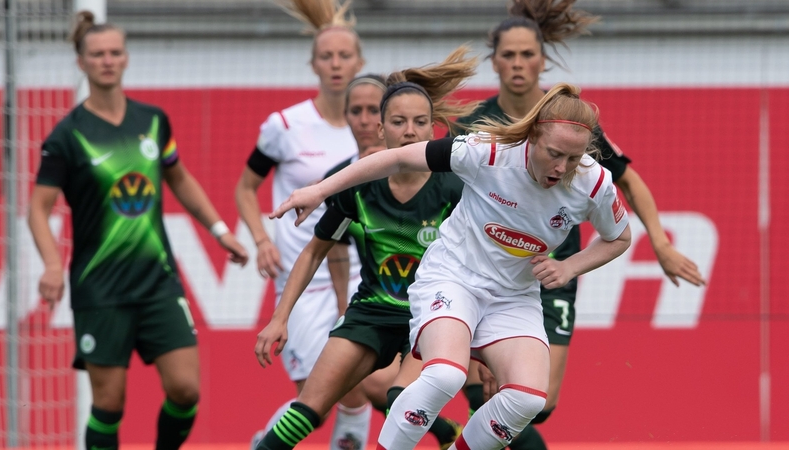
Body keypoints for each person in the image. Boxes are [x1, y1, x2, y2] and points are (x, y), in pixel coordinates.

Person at [271, 82, 633, 450]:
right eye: (554, 153)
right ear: (533, 135)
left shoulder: (594, 182)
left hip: (514, 297)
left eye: (572, 159)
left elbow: (619, 238)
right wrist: (320, 191)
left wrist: (571, 267)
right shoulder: (487, 152)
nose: (562, 167)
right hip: (453, 278)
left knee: (528, 400)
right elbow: (397, 158)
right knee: (445, 374)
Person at [455, 1, 706, 448]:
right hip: (482, 275)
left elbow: (626, 181)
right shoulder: (475, 126)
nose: (518, 63)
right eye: (508, 55)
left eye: (527, 54)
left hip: (553, 272)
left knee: (540, 402)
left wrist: (662, 246)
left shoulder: (570, 123)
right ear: (493, 60)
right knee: (490, 394)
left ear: (543, 58)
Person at [27, 11, 249, 450]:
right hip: (100, 288)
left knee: (186, 389)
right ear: (82, 63)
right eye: (97, 54)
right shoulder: (66, 136)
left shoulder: (153, 121)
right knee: (109, 404)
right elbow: (38, 208)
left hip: (157, 283)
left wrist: (219, 229)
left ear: (126, 59)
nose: (107, 61)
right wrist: (53, 265)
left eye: (114, 52)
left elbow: (179, 177)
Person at [253, 46, 479, 450]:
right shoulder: (353, 184)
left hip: (430, 317)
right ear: (381, 129)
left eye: (419, 122)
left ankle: (448, 434)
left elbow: (482, 268)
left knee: (398, 400)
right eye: (398, 122)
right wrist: (279, 318)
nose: (409, 131)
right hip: (370, 313)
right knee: (307, 410)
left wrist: (484, 343)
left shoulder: (455, 188)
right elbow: (315, 251)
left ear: (433, 129)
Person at [232, 0, 371, 448]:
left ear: (360, 62)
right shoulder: (286, 125)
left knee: (357, 389)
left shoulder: (375, 127)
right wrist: (260, 239)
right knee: (315, 394)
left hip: (362, 277)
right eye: (326, 56)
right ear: (313, 63)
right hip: (303, 278)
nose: (335, 64)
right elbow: (245, 188)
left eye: (344, 56)